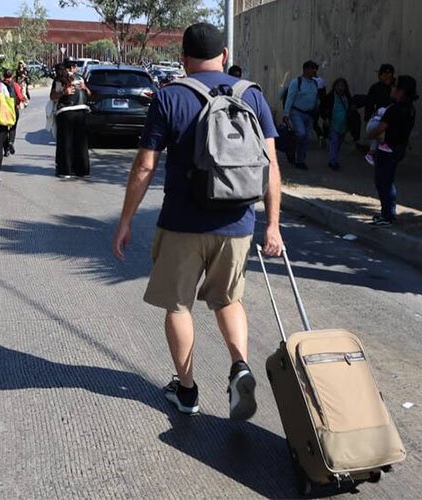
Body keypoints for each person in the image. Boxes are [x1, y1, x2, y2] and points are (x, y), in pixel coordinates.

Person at [112, 22, 283, 419]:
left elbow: (144, 166)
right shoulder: (252, 95)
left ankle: (186, 391)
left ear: (183, 59)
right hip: (238, 223)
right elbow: (272, 166)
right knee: (228, 299)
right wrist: (272, 224)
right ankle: (239, 365)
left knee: (178, 306)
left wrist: (125, 221)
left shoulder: (170, 96)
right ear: (225, 55)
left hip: (182, 224)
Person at [367, 75, 418, 226]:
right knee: (387, 181)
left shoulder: (394, 109)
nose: (392, 88)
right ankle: (387, 212)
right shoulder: (410, 108)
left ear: (402, 91)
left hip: (388, 148)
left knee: (383, 181)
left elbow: (380, 128)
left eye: (395, 86)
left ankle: (387, 216)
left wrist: (371, 133)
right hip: (399, 147)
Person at [50, 58, 91, 178]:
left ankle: (65, 170)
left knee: (65, 142)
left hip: (66, 113)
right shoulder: (80, 78)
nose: (75, 68)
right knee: (81, 143)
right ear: (71, 67)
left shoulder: (60, 79)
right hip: (81, 112)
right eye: (73, 66)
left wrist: (63, 93)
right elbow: (89, 94)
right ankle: (82, 170)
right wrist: (85, 88)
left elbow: (53, 96)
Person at [283, 60, 320, 170]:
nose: (314, 71)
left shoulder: (315, 83)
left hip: (309, 114)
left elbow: (316, 98)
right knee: (301, 133)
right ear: (305, 69)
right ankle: (292, 148)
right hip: (297, 112)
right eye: (312, 68)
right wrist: (286, 113)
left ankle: (300, 160)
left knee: (307, 138)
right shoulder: (297, 82)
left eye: (315, 69)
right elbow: (290, 97)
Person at [320, 77, 351, 170]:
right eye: (338, 86)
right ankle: (333, 161)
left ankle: (333, 159)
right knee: (334, 141)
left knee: (339, 143)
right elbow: (323, 108)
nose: (340, 88)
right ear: (335, 86)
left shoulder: (347, 97)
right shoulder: (330, 97)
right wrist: (325, 119)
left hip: (343, 125)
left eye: (342, 86)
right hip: (333, 124)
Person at [1, 68, 25, 157]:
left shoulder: (0, 85)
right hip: (13, 109)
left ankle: (6, 149)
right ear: (12, 76)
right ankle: (11, 142)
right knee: (13, 128)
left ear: (4, 76)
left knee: (3, 129)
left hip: (2, 110)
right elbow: (19, 96)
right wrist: (22, 101)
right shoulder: (15, 85)